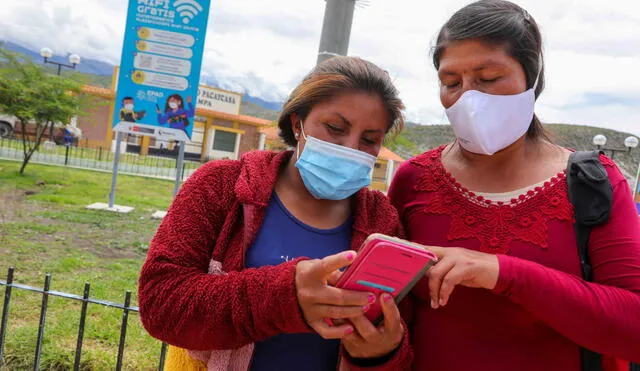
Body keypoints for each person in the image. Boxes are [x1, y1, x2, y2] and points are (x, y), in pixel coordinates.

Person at [383, 1, 640, 370]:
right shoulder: (413, 180)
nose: (468, 98)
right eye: (450, 82)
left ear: (532, 79)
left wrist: (504, 274)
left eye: (488, 78)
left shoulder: (592, 183)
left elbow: (633, 328)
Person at [138, 56, 410, 371]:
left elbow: (400, 334)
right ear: (297, 124)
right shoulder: (220, 187)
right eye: (336, 128)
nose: (350, 147)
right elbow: (161, 304)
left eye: (369, 140)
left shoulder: (382, 222)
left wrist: (383, 354)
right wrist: (284, 296)